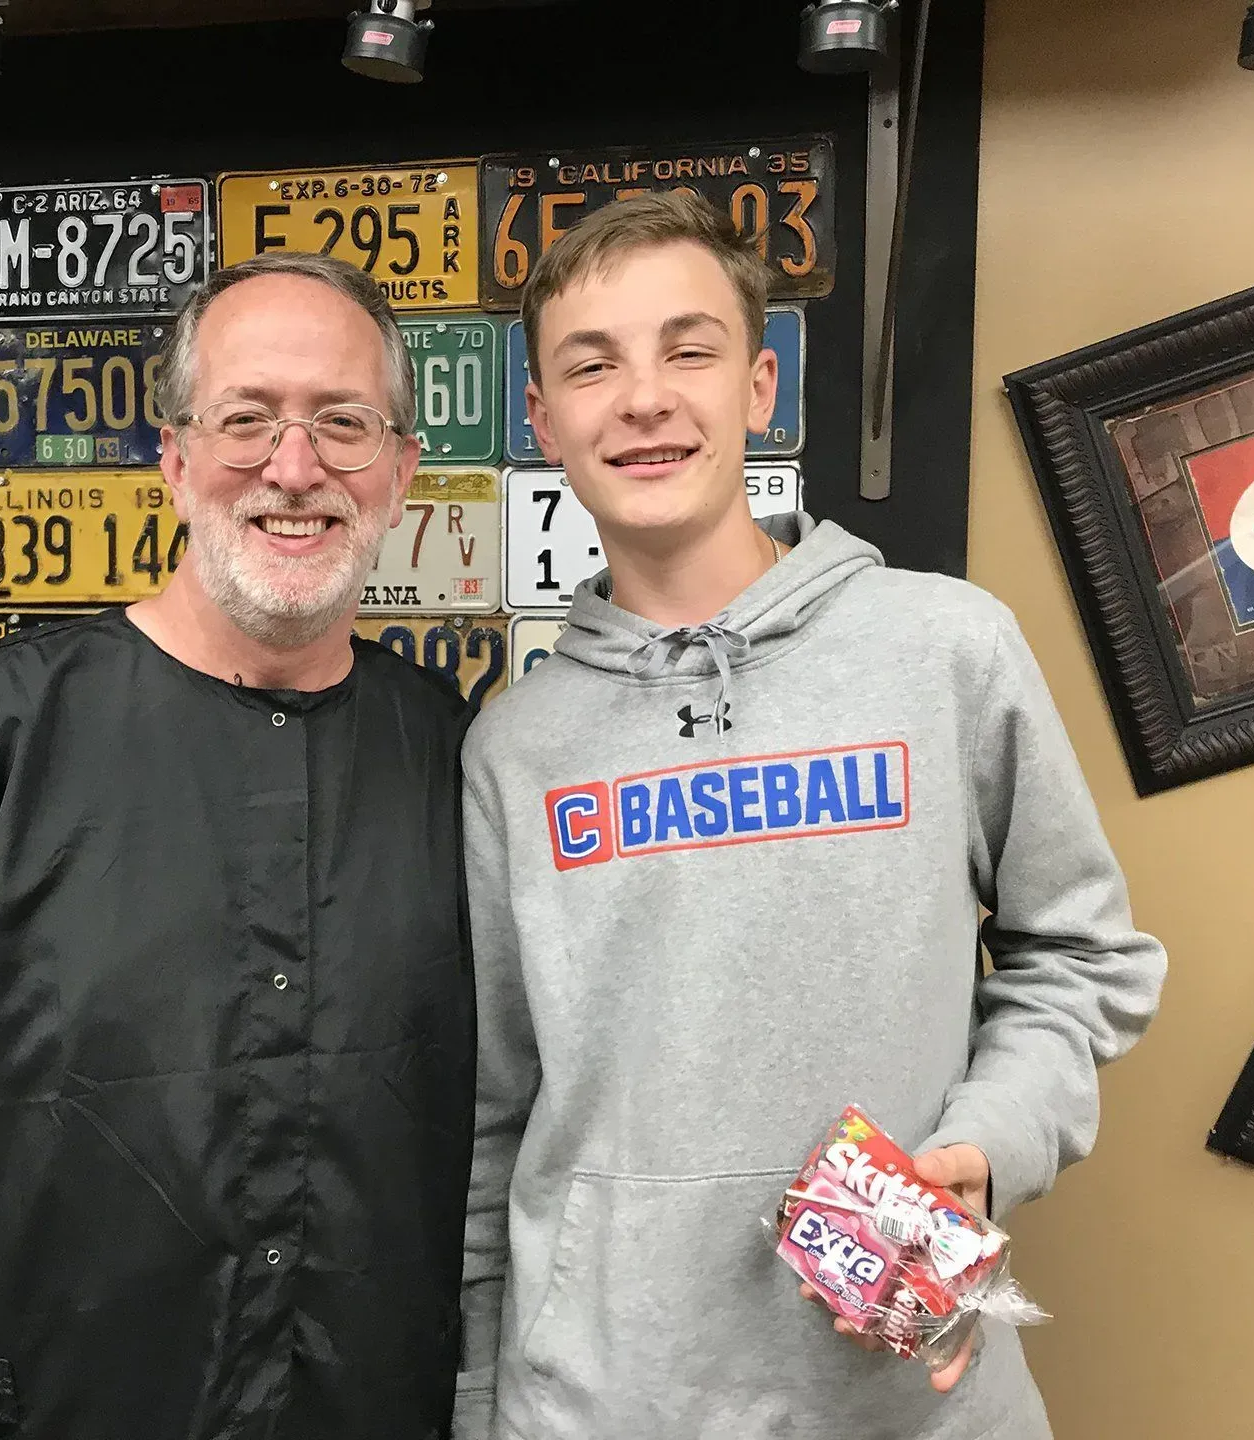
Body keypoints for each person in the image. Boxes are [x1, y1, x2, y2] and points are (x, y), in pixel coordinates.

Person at [0, 252, 477, 1440]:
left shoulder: (453, 760)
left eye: (344, 424)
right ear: (173, 460)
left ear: (398, 474)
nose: (295, 467)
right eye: (247, 421)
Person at [452, 192, 1167, 1440]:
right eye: (592, 364)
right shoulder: (515, 749)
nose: (644, 397)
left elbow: (1085, 958)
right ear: (543, 420)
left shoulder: (946, 650)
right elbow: (493, 1114)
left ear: (761, 385)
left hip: (910, 1399)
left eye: (688, 349)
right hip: (596, 1408)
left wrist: (990, 1144)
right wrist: (472, 1396)